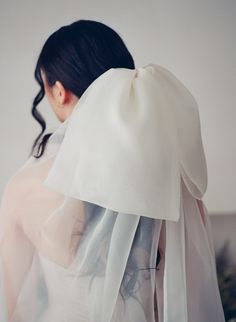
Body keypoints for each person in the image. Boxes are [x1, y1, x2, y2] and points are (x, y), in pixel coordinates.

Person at [0, 19, 225, 322]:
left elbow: (15, 308)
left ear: (58, 91)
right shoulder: (171, 183)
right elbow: (191, 298)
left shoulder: (24, 187)